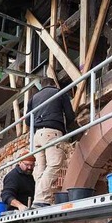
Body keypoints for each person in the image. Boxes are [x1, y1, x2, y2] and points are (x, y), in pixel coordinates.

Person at [28, 77, 76, 208]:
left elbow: (27, 121)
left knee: (40, 168)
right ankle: (40, 198)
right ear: (54, 84)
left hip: (37, 136)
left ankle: (42, 200)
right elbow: (70, 115)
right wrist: (74, 131)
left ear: (42, 86)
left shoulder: (33, 98)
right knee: (55, 164)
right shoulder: (59, 92)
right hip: (52, 132)